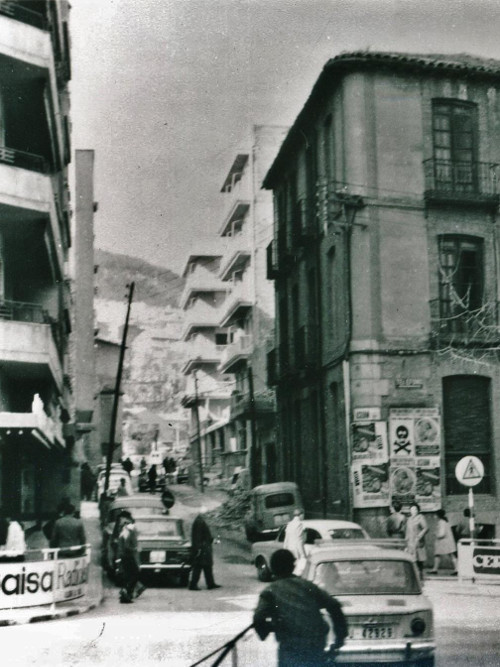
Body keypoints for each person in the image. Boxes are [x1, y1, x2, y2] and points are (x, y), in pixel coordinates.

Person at [253, 549, 348, 667]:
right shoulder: (308, 586)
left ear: (272, 568)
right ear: (293, 566)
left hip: (290, 648)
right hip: (316, 645)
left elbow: (258, 618)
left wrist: (268, 629)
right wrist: (340, 637)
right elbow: (334, 606)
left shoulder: (270, 591)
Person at [116, 511, 146, 603]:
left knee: (128, 575)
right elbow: (127, 545)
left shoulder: (125, 530)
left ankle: (126, 593)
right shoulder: (129, 530)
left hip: (124, 555)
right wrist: (135, 548)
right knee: (134, 574)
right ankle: (127, 593)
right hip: (127, 555)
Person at [189, 505, 221, 591]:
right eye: (207, 513)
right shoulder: (199, 522)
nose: (208, 515)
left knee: (207, 566)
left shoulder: (200, 520)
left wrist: (212, 540)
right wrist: (198, 548)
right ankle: (193, 584)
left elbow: (204, 535)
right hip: (202, 548)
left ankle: (210, 583)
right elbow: (198, 536)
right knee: (199, 566)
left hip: (204, 547)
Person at [429, 509, 457, 575]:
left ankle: (435, 569)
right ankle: (456, 569)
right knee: (451, 555)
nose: (434, 516)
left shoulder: (441, 522)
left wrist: (435, 534)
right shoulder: (445, 521)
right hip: (447, 542)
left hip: (444, 542)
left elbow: (442, 534)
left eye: (435, 515)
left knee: (440, 555)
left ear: (438, 515)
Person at [405, 502, 428, 581]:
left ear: (418, 510)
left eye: (415, 509)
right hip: (410, 542)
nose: (413, 511)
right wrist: (406, 541)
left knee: (419, 560)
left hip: (418, 542)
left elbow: (426, 528)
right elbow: (407, 531)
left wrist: (419, 536)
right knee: (411, 559)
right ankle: (413, 577)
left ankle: (420, 576)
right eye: (412, 509)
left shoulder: (420, 517)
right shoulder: (409, 519)